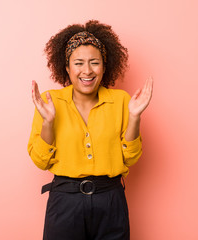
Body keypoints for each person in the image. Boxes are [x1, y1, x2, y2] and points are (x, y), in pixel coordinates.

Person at [28, 20, 153, 240]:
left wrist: (134, 117)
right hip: (65, 201)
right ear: (66, 67)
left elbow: (130, 158)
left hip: (111, 200)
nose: (87, 70)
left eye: (94, 62)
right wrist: (48, 122)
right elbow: (41, 161)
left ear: (105, 66)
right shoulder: (50, 101)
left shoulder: (122, 101)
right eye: (78, 63)